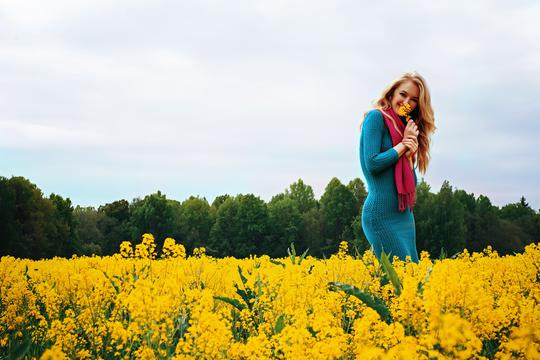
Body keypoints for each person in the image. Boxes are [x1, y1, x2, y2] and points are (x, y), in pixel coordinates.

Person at [359, 72, 436, 263]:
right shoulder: (375, 118)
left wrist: (409, 156)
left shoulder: (404, 128)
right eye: (403, 94)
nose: (406, 102)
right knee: (401, 279)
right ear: (392, 93)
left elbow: (410, 183)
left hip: (404, 216)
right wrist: (403, 145)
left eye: (414, 100)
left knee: (411, 281)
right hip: (380, 215)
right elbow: (373, 163)